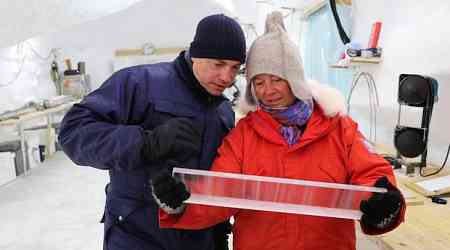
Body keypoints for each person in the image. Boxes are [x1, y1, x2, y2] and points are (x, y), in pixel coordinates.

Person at [151, 11, 406, 250]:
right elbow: (219, 194)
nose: (267, 91)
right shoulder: (243, 137)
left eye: (276, 80)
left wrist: (381, 201)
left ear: (294, 80)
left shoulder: (339, 128)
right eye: (258, 82)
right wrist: (181, 203)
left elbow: (372, 171)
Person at [58, 14, 246, 250]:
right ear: (195, 55)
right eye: (218, 64)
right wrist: (145, 143)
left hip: (198, 239)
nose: (227, 77)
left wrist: (219, 236)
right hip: (136, 235)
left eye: (234, 68)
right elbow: (73, 132)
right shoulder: (139, 83)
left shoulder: (223, 113)